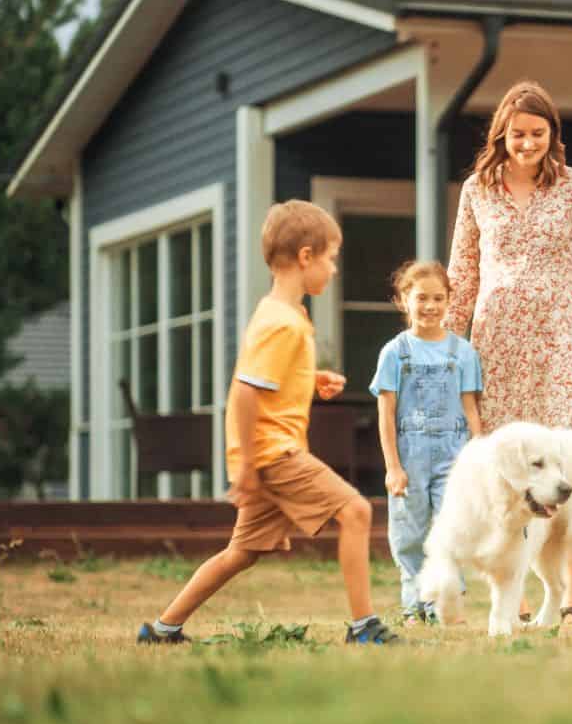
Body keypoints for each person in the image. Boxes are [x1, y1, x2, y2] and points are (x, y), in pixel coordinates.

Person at [136, 200, 398, 646]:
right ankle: (363, 627)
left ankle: (163, 628)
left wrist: (310, 379)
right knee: (355, 511)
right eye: (331, 258)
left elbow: (269, 378)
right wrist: (243, 466)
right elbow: (243, 392)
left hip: (267, 453)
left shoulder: (283, 315)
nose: (333, 270)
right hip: (274, 453)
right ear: (306, 257)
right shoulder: (282, 322)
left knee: (243, 551)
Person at [444, 80, 572, 626]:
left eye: (538, 134)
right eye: (518, 134)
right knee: (511, 473)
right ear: (502, 134)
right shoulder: (476, 190)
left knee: (571, 464)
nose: (527, 143)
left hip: (563, 337)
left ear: (551, 136)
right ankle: (512, 596)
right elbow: (462, 273)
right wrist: (450, 347)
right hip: (497, 344)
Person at [371, 261, 484, 625]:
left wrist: (478, 458)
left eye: (438, 298)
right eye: (421, 298)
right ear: (404, 300)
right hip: (410, 454)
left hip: (454, 453)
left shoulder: (463, 352)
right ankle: (412, 606)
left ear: (449, 301)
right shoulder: (394, 353)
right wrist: (392, 467)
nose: (430, 306)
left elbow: (470, 409)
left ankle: (445, 605)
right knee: (409, 531)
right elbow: (386, 413)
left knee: (451, 528)